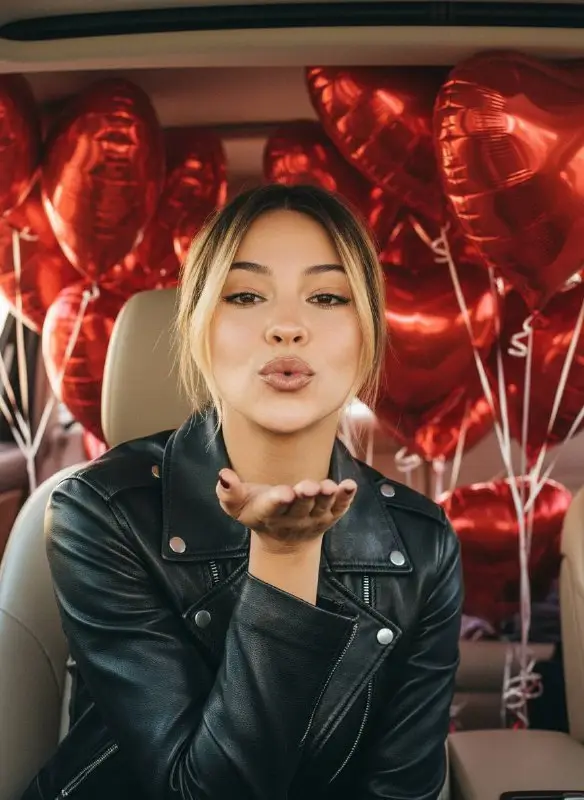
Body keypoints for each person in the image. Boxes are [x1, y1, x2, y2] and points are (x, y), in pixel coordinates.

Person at [22, 184, 463, 800]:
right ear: (199, 330)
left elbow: (403, 789)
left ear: (367, 339)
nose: (287, 327)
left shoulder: (423, 542)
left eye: (328, 296)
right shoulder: (100, 511)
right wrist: (283, 559)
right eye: (247, 295)